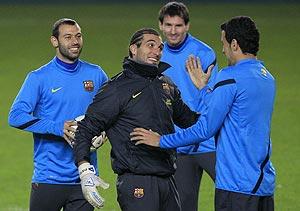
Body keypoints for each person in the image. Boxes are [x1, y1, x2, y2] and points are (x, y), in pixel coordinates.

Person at [131, 16, 276, 211]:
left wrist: (161, 141)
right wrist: (204, 89)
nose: (223, 50)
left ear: (234, 44)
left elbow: (204, 129)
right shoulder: (266, 77)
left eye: (223, 44)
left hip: (237, 185)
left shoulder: (229, 77)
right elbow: (234, 113)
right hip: (262, 182)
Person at [73, 28, 209, 211]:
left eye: (160, 47)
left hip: (168, 180)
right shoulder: (117, 88)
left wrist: (206, 91)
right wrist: (84, 170)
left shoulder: (166, 84)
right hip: (137, 181)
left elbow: (192, 122)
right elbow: (86, 128)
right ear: (133, 49)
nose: (157, 52)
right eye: (150, 45)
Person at [8, 18, 108, 211]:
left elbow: (113, 110)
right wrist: (57, 127)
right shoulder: (39, 78)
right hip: (49, 177)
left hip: (84, 177)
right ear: (55, 41)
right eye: (68, 37)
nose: (75, 41)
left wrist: (105, 131)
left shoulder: (96, 74)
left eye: (78, 36)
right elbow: (16, 115)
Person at [158, 2, 217, 210]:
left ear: (187, 26)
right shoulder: (156, 55)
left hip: (207, 140)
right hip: (178, 144)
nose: (173, 31)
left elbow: (214, 98)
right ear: (161, 26)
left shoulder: (203, 53)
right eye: (168, 25)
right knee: (184, 204)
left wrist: (200, 128)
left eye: (179, 25)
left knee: (233, 193)